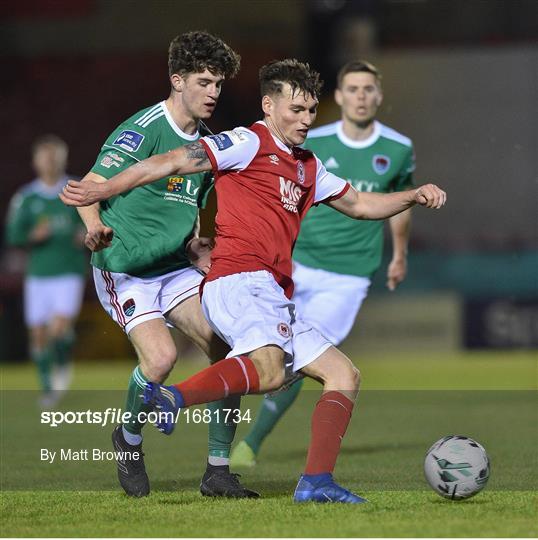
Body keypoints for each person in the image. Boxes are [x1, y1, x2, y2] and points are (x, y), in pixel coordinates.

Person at [61, 58, 446, 503]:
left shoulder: (308, 165)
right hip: (239, 280)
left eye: (310, 111)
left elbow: (360, 204)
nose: (305, 120)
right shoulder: (246, 141)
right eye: (296, 110)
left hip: (271, 289)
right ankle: (172, 400)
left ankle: (315, 482)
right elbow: (169, 162)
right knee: (262, 370)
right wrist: (103, 191)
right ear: (269, 106)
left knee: (343, 375)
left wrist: (412, 196)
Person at [63, 31, 257, 499]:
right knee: (162, 359)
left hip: (173, 268)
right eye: (205, 82)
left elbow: (187, 208)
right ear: (177, 80)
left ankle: (218, 470)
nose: (213, 92)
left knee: (228, 349)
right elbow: (87, 186)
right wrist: (94, 228)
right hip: (124, 265)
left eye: (218, 85)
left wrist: (194, 247)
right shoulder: (144, 128)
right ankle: (128, 440)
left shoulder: (208, 148)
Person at [231, 59, 415, 468]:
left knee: (303, 358)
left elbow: (397, 206)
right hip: (298, 263)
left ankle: (252, 444)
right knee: (261, 346)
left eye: (368, 89)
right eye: (352, 89)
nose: (361, 96)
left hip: (348, 278)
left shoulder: (398, 148)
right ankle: (221, 430)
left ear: (379, 96)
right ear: (339, 96)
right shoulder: (314, 141)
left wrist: (399, 254)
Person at [5, 135, 86, 408]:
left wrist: (86, 233)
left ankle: (62, 363)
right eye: (44, 156)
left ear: (63, 158)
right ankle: (48, 387)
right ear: (35, 161)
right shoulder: (27, 197)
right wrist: (32, 235)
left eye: (55, 156)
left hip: (68, 271)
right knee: (38, 334)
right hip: (38, 275)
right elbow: (13, 236)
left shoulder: (77, 190)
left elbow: (97, 222)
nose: (50, 162)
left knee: (58, 327)